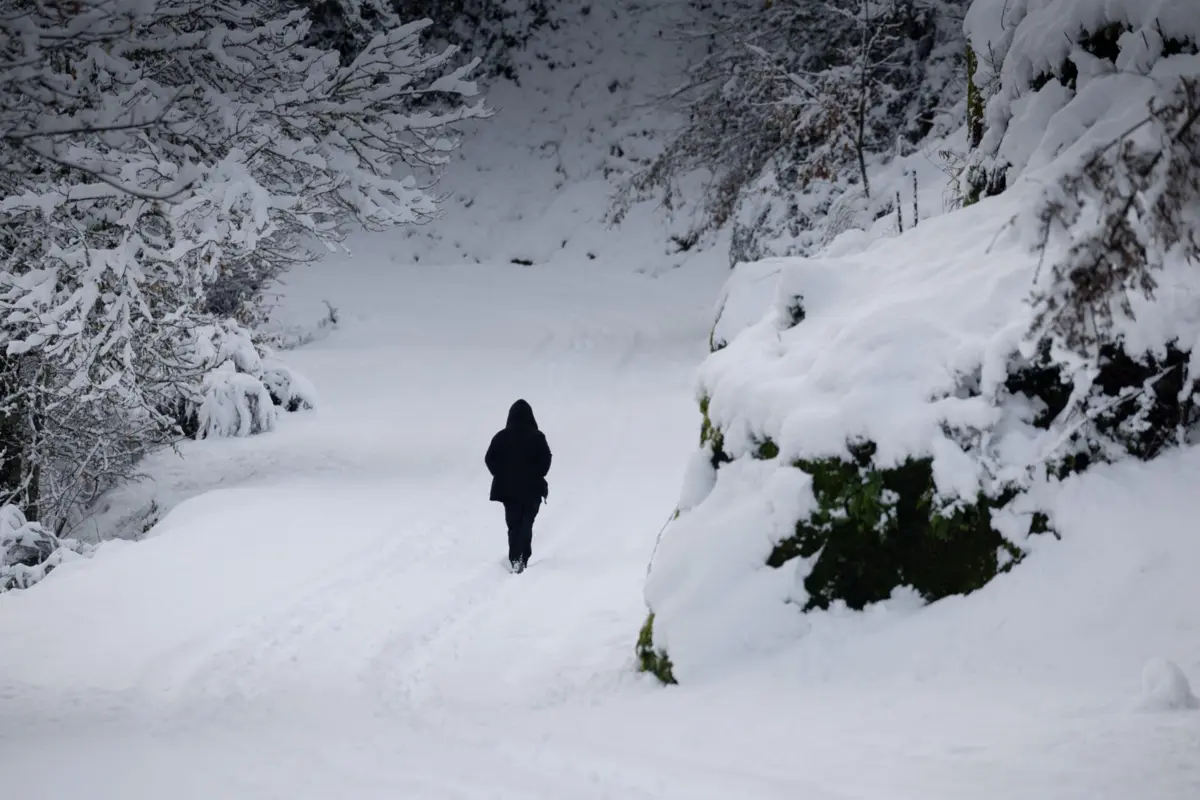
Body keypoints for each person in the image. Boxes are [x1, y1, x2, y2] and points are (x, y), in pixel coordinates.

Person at [485, 399, 551, 573]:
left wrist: (500, 474)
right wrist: (537, 473)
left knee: (514, 524)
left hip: (508, 488)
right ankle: (523, 556)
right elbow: (546, 461)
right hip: (532, 487)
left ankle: (516, 557)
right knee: (526, 521)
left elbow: (489, 459)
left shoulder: (501, 437)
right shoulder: (537, 437)